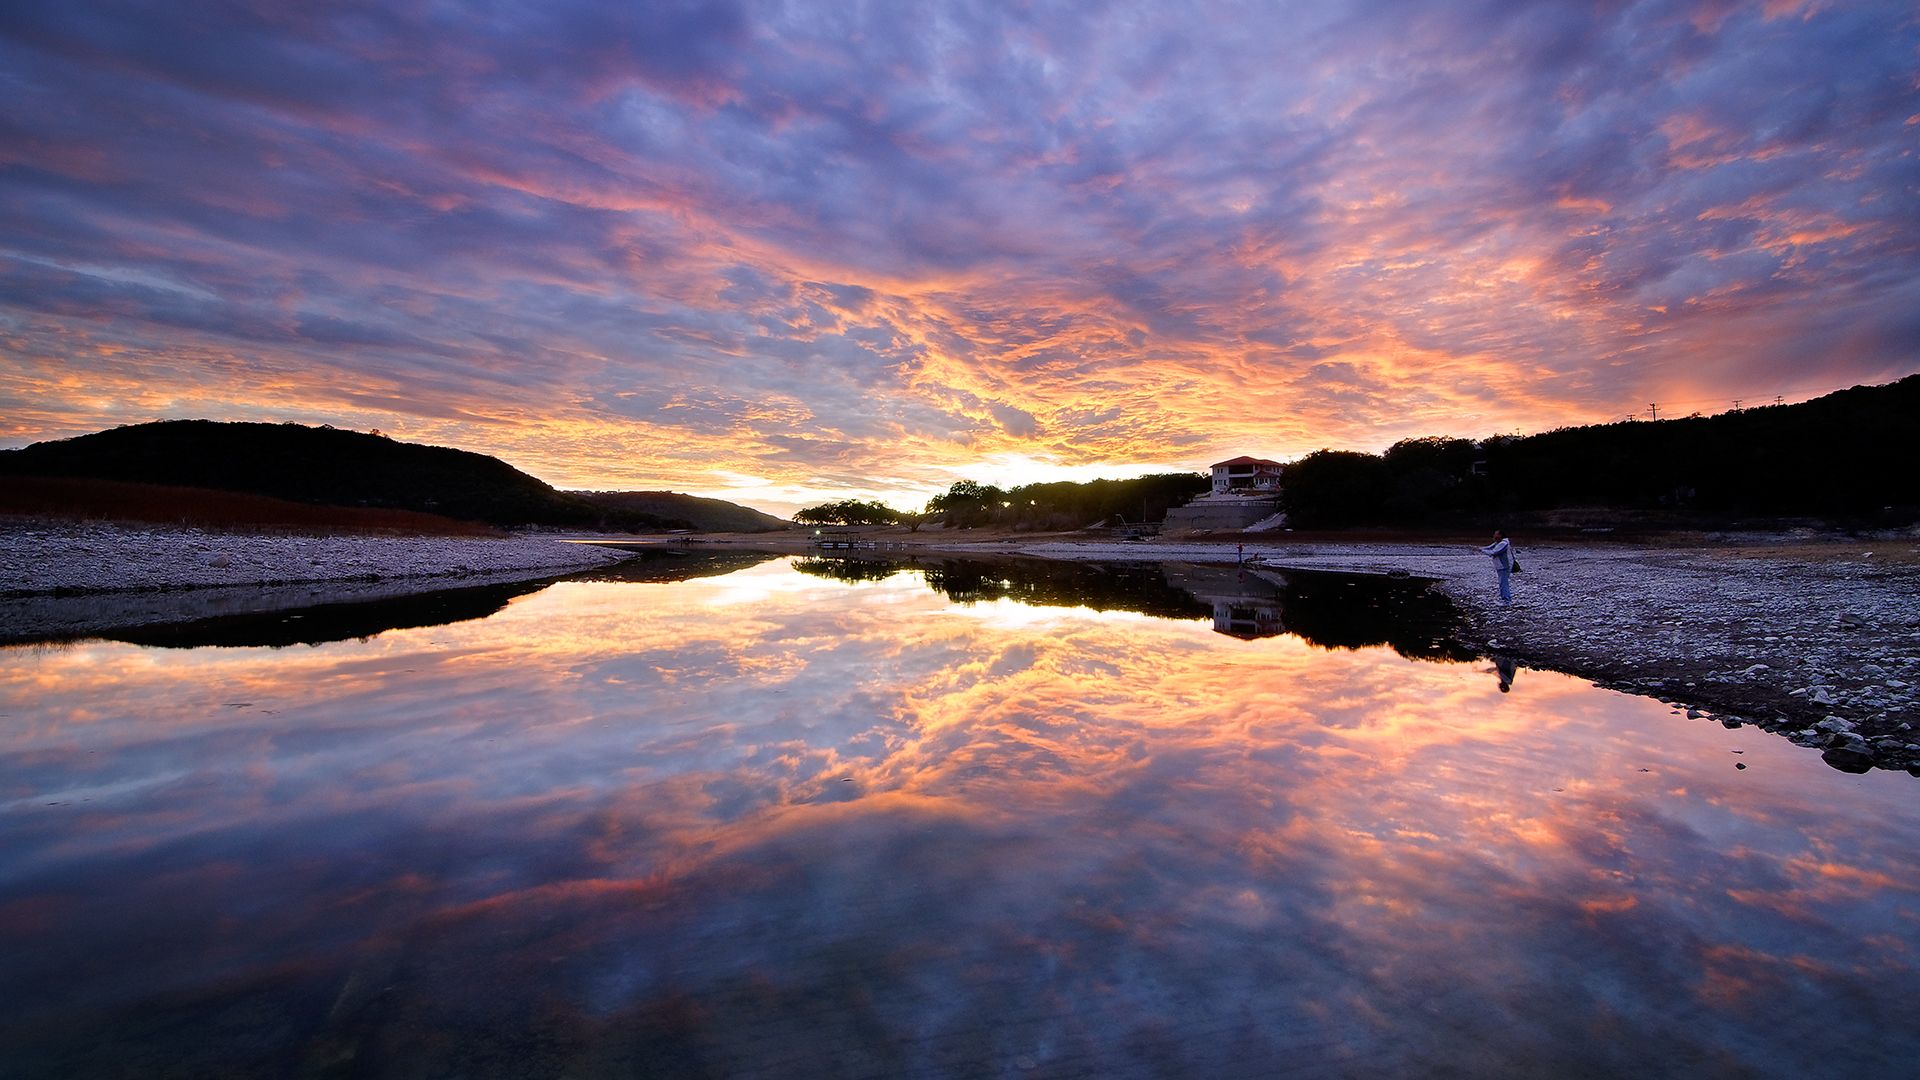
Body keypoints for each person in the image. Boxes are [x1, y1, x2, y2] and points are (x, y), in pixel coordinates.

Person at [1479, 529, 1515, 605]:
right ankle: (1505, 599)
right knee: (1502, 583)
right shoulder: (1498, 543)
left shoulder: (1503, 544)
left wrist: (1482, 550)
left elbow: (1493, 552)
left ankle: (1506, 600)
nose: (1494, 535)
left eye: (1495, 534)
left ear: (1500, 535)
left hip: (1504, 566)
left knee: (1503, 583)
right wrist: (1480, 549)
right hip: (1501, 566)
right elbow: (1489, 547)